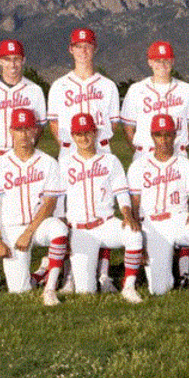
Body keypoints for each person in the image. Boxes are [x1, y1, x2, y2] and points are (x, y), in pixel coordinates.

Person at [44, 28, 122, 291]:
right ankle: (70, 274)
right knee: (68, 213)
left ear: (95, 48)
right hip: (69, 152)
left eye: (88, 45)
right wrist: (68, 147)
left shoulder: (107, 85)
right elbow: (54, 123)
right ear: (71, 49)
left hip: (101, 150)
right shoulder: (59, 85)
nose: (83, 50)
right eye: (78, 46)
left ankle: (103, 274)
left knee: (103, 210)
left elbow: (113, 122)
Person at [0, 39, 47, 294]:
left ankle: (30, 265)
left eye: (17, 59)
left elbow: (39, 126)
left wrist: (24, 152)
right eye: (7, 59)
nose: (12, 64)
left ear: (23, 60)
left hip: (23, 159)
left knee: (20, 213)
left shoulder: (34, 90)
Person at [0, 108, 68, 306]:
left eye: (28, 129)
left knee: (59, 229)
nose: (23, 134)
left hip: (38, 226)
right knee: (19, 291)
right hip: (12, 229)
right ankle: (40, 274)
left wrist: (29, 232)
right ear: (11, 131)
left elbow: (50, 204)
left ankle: (49, 290)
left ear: (35, 131)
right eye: (19, 129)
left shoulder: (48, 162)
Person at [127, 114, 189, 303]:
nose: (163, 139)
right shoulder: (138, 166)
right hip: (152, 224)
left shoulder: (185, 165)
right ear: (152, 136)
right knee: (159, 290)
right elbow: (134, 205)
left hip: (178, 217)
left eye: (168, 135)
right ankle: (174, 273)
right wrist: (138, 239)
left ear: (175, 135)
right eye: (159, 135)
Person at [62, 113, 144, 303]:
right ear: (73, 136)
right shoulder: (65, 163)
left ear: (96, 133)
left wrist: (127, 214)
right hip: (80, 229)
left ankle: (129, 286)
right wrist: (63, 227)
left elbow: (121, 191)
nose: (84, 138)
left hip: (106, 223)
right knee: (86, 292)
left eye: (88, 132)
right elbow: (59, 200)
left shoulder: (110, 160)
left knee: (134, 234)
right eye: (79, 134)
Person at [121, 41, 189, 161]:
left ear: (173, 61)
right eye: (157, 61)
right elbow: (128, 127)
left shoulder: (187, 90)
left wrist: (184, 148)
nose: (162, 64)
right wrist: (139, 150)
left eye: (166, 60)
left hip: (177, 154)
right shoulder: (136, 90)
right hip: (145, 154)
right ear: (150, 62)